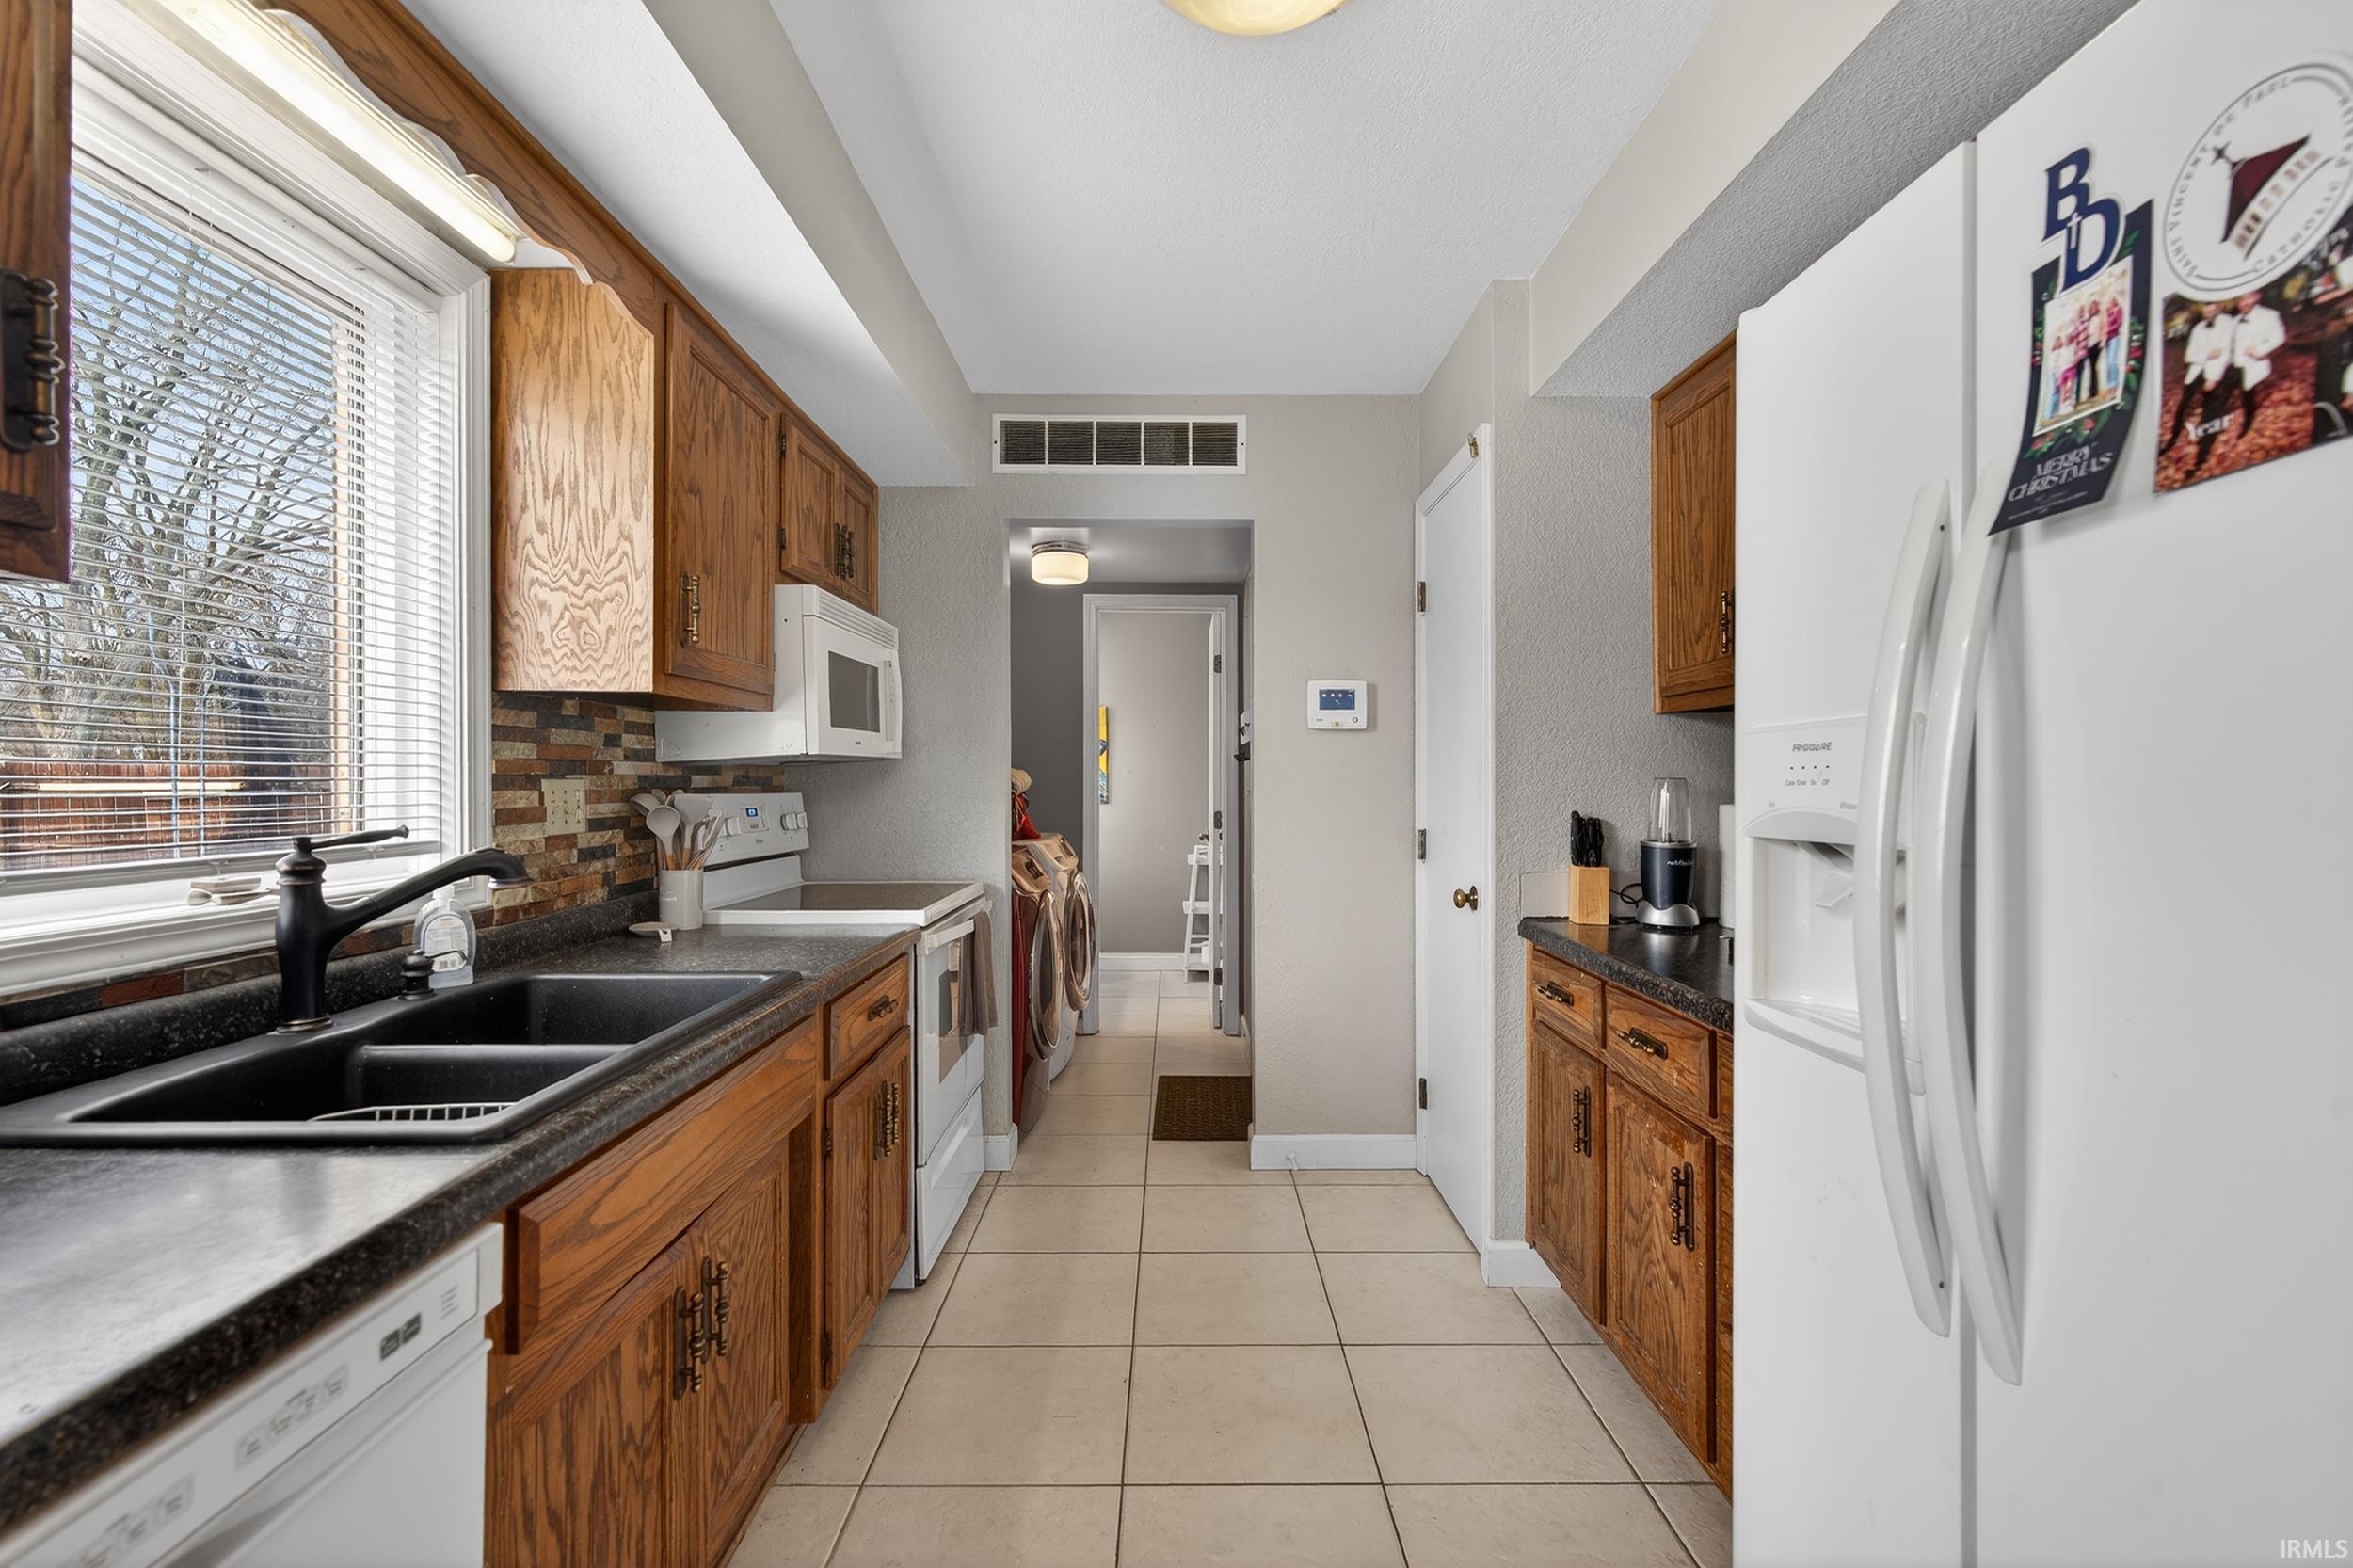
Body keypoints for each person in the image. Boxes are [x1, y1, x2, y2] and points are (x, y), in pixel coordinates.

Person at [2166, 298, 2236, 455]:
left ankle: (2203, 453)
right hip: (2196, 372)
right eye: (2206, 308)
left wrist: (2214, 377)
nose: (2208, 311)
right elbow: (2189, 356)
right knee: (2182, 407)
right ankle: (2171, 440)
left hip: (2216, 372)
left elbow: (2225, 352)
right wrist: (2206, 354)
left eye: (2212, 307)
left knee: (2211, 410)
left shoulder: (2227, 322)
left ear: (2218, 307)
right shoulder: (2197, 328)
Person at [2230, 287, 2285, 440]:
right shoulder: (2234, 320)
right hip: (2234, 364)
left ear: (2256, 297)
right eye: (2240, 300)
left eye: (2246, 298)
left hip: (2253, 363)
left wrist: (2259, 350)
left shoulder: (2269, 315)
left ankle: (2248, 421)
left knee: (2248, 394)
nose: (2243, 303)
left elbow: (2278, 337)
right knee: (2223, 393)